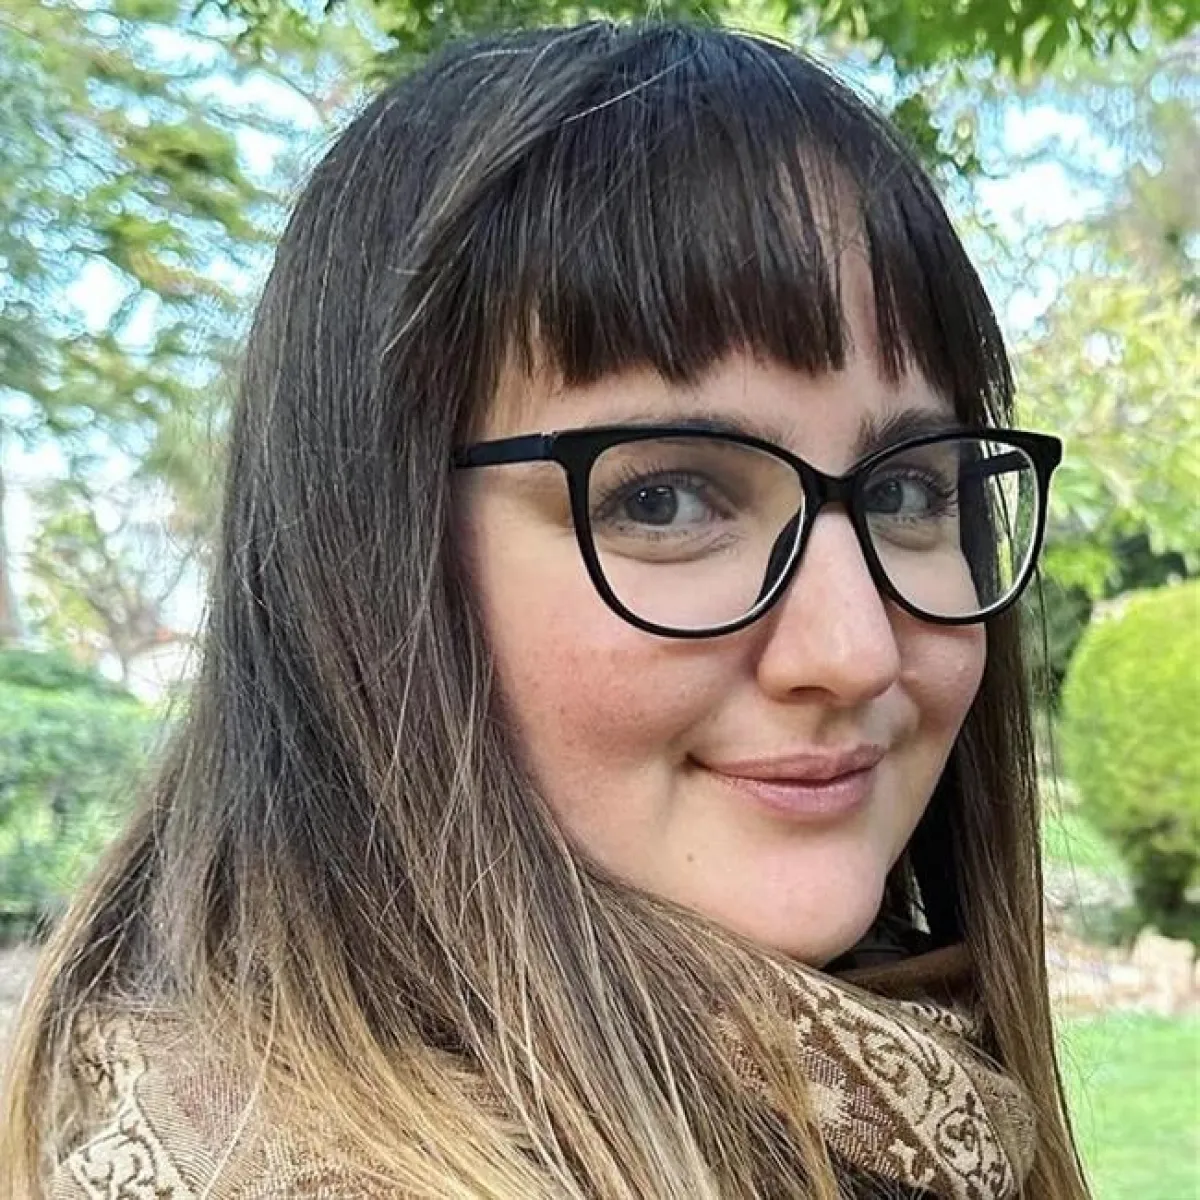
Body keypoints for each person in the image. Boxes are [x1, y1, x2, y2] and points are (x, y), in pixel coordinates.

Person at [1, 20, 1093, 1199]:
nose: (854, 649)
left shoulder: (911, 1110)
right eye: (665, 499)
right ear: (368, 567)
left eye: (908, 491)